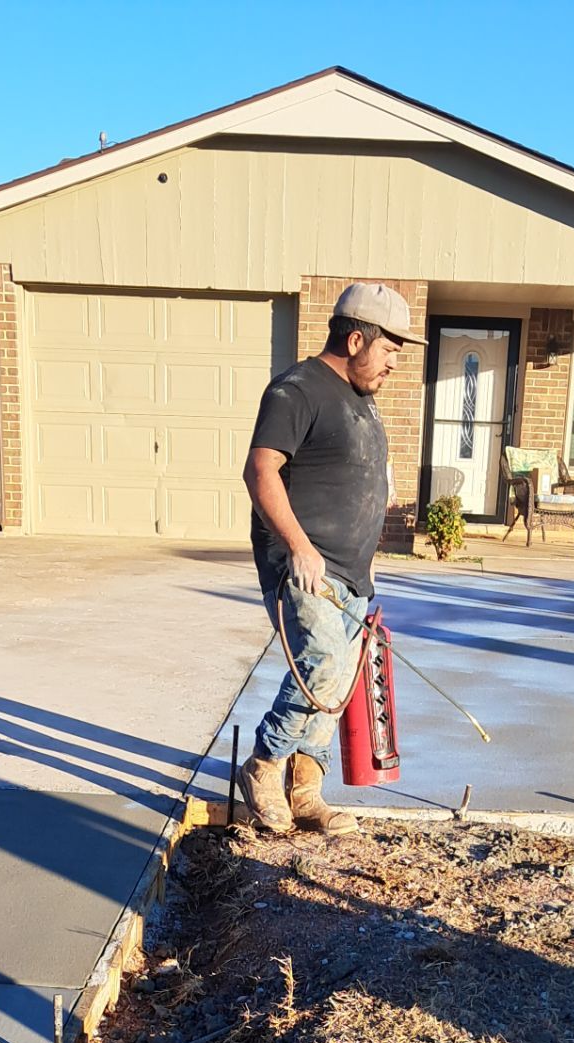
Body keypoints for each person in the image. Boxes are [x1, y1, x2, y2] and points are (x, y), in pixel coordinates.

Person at [239, 283, 424, 836]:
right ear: (355, 338)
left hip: (351, 573)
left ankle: (305, 790)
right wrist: (299, 547)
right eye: (389, 350)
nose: (393, 364)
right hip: (304, 566)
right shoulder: (297, 390)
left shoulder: (361, 400)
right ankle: (264, 766)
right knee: (321, 668)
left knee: (338, 685)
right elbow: (260, 471)